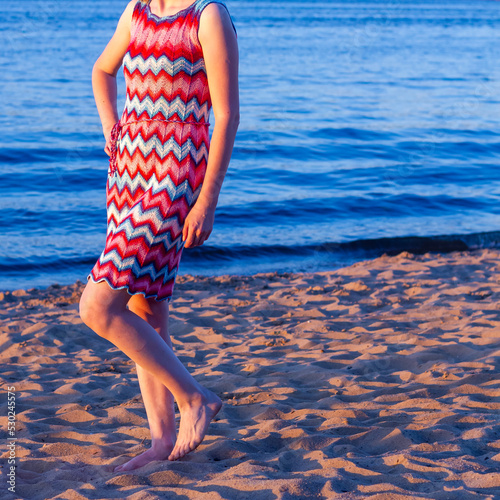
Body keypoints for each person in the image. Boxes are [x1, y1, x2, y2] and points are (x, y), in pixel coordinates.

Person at [79, 0, 239, 472]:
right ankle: (162, 439)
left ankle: (196, 399)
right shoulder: (137, 11)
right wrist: (112, 127)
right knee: (143, 307)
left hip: (176, 175)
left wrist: (207, 198)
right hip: (128, 172)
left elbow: (227, 114)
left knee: (96, 305)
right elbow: (102, 71)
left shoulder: (207, 16)